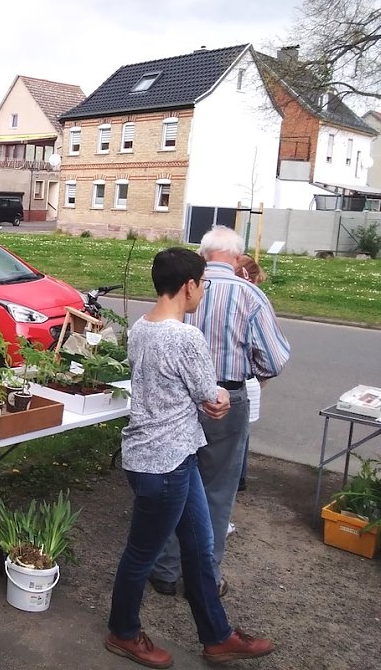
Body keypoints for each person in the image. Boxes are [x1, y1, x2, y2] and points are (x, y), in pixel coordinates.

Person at [105, 247, 274, 668]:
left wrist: (206, 400)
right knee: (141, 554)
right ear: (189, 286)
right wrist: (216, 400)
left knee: (199, 549)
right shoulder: (185, 336)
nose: (203, 291)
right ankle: (122, 632)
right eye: (203, 283)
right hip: (162, 465)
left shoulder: (142, 327)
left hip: (172, 455)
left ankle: (218, 636)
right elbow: (209, 392)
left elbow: (175, 388)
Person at [150, 226, 289, 598]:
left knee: (176, 481)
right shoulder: (249, 295)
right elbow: (274, 360)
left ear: (203, 253)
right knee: (216, 490)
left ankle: (164, 570)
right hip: (225, 401)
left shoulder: (183, 289)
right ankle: (204, 577)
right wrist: (249, 376)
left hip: (176, 400)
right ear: (237, 256)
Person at [234, 254, 268, 493]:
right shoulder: (252, 304)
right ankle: (238, 477)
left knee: (239, 435)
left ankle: (238, 477)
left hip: (245, 383)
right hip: (245, 382)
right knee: (240, 435)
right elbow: (269, 357)